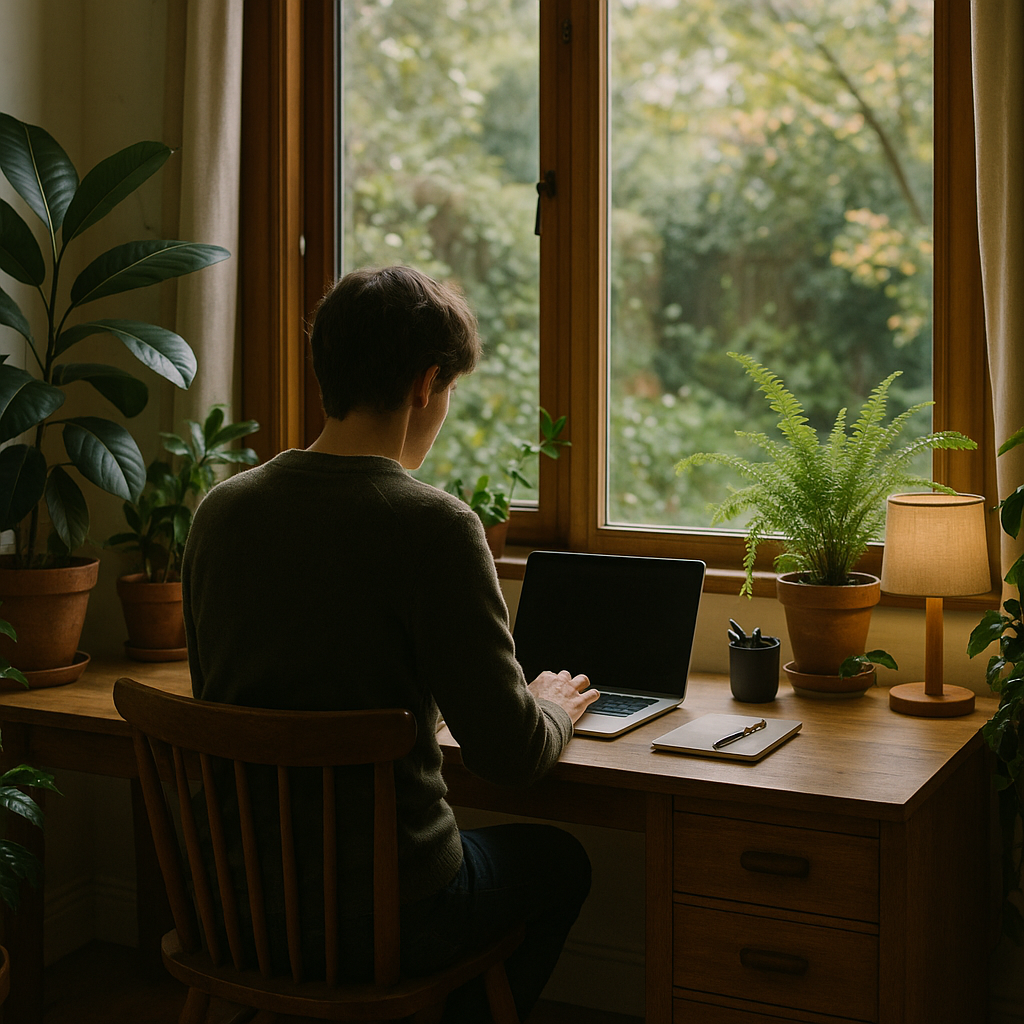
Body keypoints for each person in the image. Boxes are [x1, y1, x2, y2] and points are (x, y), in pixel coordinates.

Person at [181, 265, 600, 1021]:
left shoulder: (220, 512)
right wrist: (552, 707)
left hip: (241, 908)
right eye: (448, 394)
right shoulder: (432, 525)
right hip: (390, 918)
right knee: (561, 862)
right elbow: (511, 757)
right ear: (424, 384)